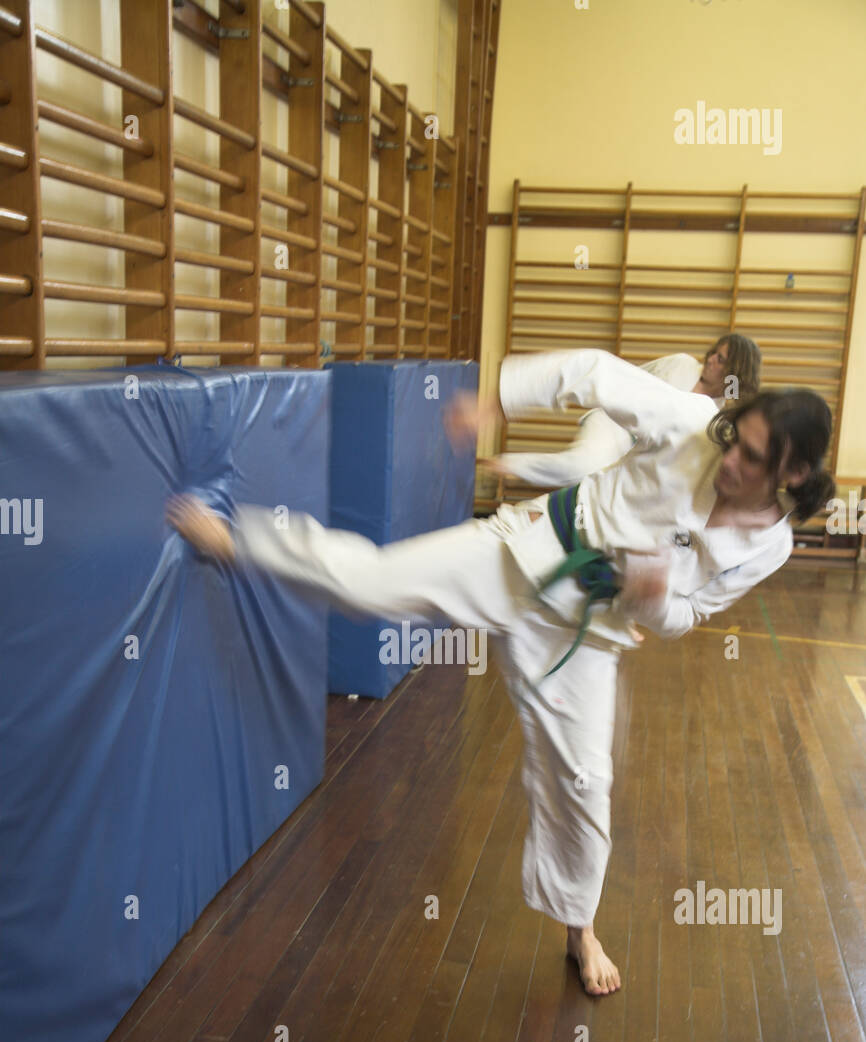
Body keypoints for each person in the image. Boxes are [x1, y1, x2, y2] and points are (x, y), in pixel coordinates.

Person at [165, 348, 832, 998]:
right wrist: (494, 405)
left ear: (793, 474)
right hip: (524, 550)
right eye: (735, 439)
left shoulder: (768, 546)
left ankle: (581, 930)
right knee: (372, 583)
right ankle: (239, 539)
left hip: (586, 632)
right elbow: (592, 372)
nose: (731, 459)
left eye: (752, 457)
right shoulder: (691, 424)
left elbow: (688, 616)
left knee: (584, 782)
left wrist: (654, 596)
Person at [483, 333, 763, 490]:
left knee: (596, 491)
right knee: (582, 466)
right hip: (615, 422)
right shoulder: (682, 366)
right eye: (714, 352)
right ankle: (507, 465)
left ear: (733, 373)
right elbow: (632, 394)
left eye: (721, 359)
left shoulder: (714, 416)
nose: (711, 359)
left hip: (637, 452)